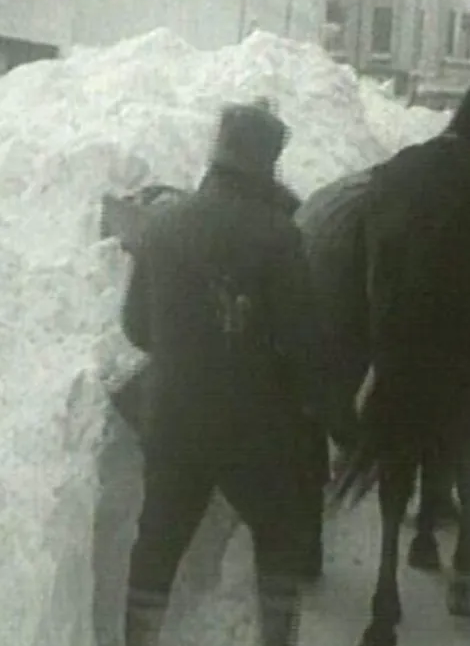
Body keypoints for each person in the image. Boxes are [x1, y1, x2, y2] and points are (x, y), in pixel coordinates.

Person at [119, 98, 325, 646]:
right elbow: (303, 345)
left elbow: (137, 328)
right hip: (252, 427)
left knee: (158, 538)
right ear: (268, 162)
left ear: (219, 151)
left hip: (171, 417)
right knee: (280, 534)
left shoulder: (162, 226)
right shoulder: (280, 236)